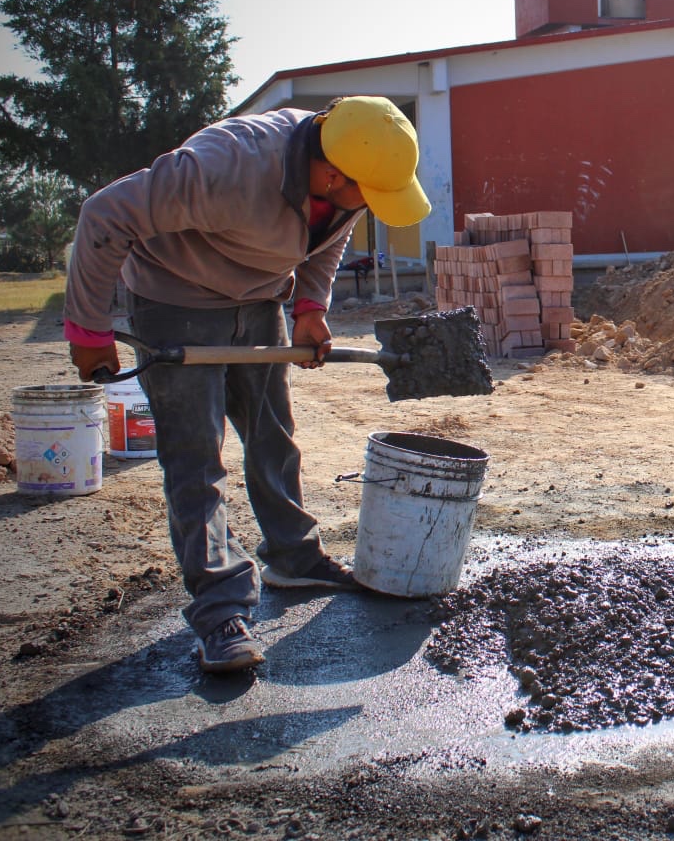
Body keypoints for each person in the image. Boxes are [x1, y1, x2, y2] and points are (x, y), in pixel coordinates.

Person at [63, 96, 430, 674]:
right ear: (330, 171)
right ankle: (219, 608)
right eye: (368, 195)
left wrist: (310, 304)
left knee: (272, 436)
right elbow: (104, 215)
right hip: (176, 298)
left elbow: (330, 235)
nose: (373, 209)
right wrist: (86, 327)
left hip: (261, 300)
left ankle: (292, 554)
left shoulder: (349, 164)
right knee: (196, 458)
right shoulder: (224, 166)